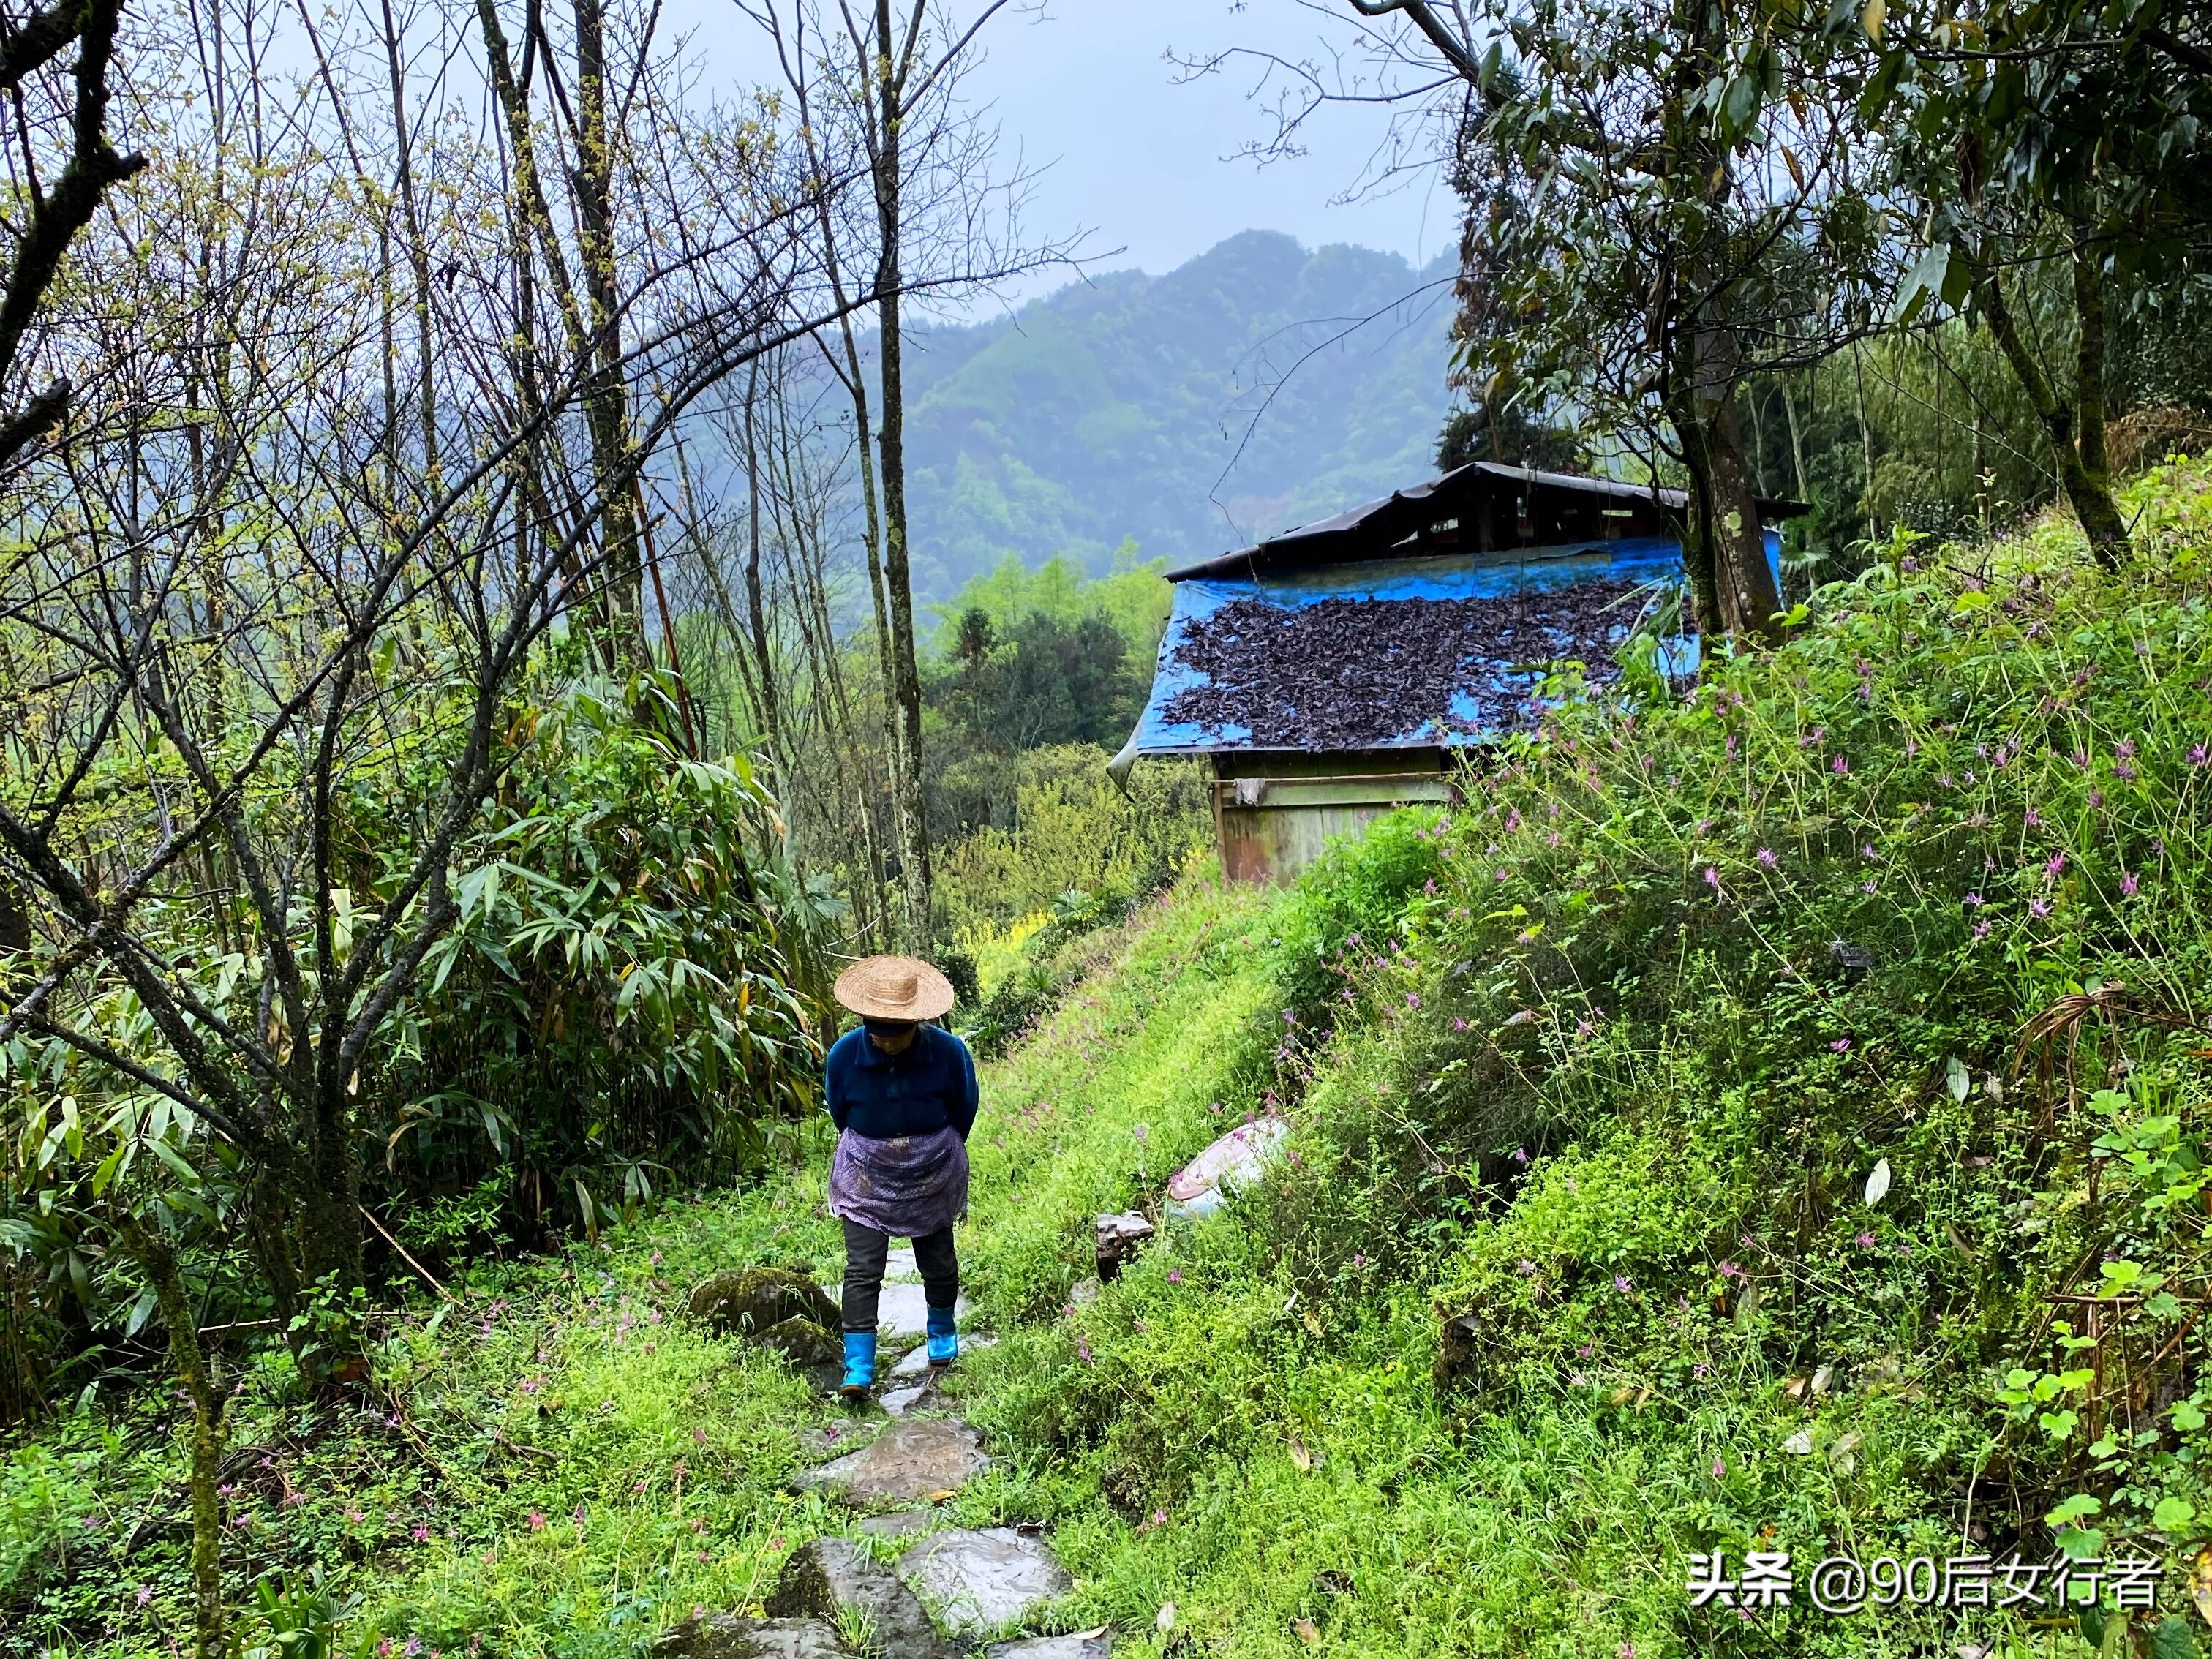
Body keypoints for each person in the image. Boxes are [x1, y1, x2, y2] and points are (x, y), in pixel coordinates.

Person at [823, 953, 977, 1403]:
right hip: (865, 1175)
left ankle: (942, 1337)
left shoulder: (950, 1053)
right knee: (863, 1267)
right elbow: (840, 1112)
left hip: (932, 1171)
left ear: (917, 1021)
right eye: (879, 1032)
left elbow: (964, 1106)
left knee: (938, 1260)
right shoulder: (844, 1056)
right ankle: (859, 1366)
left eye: (899, 1033)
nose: (888, 1041)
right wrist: (879, 1147)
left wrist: (931, 1151)